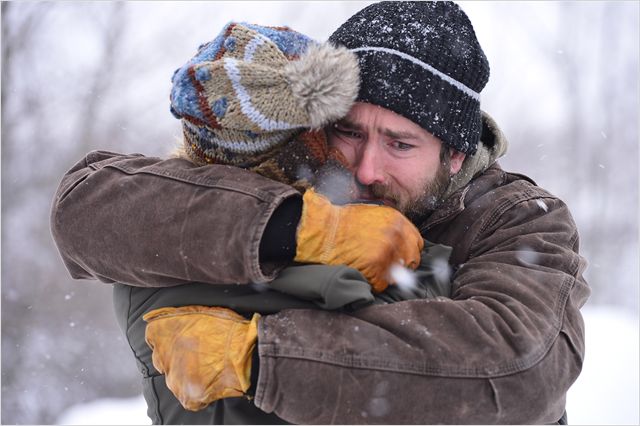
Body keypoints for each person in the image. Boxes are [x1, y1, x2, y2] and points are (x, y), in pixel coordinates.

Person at [50, 1, 590, 424]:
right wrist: (298, 228)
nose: (368, 169)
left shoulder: (516, 218)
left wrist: (258, 357)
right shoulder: (298, 171)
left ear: (454, 152)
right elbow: (86, 211)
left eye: (400, 145)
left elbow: (520, 365)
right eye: (349, 132)